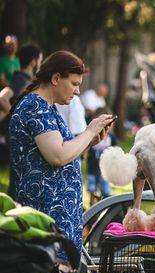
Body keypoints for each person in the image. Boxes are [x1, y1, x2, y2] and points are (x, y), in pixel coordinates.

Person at [8, 50, 115, 261]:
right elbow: (56, 156)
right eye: (74, 84)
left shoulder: (47, 107)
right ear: (56, 78)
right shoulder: (35, 107)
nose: (77, 91)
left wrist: (89, 141)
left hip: (57, 217)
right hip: (45, 219)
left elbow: (64, 152)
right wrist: (89, 131)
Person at [0, 44, 42, 197]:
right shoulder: (20, 79)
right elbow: (3, 97)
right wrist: (14, 113)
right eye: (40, 59)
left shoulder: (28, 80)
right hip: (16, 135)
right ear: (33, 62)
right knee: (17, 181)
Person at [86, 107, 117, 205]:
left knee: (106, 189)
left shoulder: (111, 138)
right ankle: (92, 203)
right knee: (92, 187)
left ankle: (105, 203)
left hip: (105, 170)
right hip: (92, 167)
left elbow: (114, 150)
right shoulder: (91, 136)